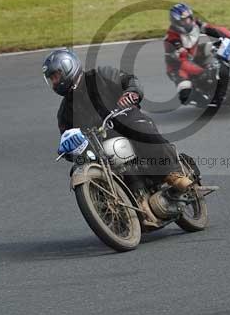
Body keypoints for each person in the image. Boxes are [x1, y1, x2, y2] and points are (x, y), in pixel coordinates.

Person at [42, 48, 191, 227]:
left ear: (68, 68)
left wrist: (131, 92)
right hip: (101, 145)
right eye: (52, 79)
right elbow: (67, 137)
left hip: (125, 120)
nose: (55, 82)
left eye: (56, 76)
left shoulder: (99, 76)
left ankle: (172, 173)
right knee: (80, 167)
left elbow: (129, 80)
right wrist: (68, 148)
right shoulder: (64, 112)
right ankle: (115, 211)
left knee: (139, 128)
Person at [163, 3, 230, 106]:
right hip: (178, 67)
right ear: (176, 22)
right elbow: (182, 62)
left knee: (219, 46)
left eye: (188, 18)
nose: (187, 22)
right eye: (183, 20)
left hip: (194, 54)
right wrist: (200, 72)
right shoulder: (171, 39)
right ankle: (204, 99)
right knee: (185, 93)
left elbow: (213, 29)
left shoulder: (195, 24)